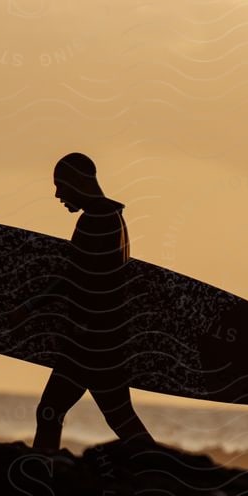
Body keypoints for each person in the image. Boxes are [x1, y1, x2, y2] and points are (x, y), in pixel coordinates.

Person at [23, 153, 155, 455]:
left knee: (50, 411)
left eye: (60, 185)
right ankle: (163, 472)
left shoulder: (95, 220)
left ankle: (42, 475)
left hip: (90, 343)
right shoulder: (115, 219)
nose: (57, 195)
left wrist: (31, 307)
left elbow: (75, 276)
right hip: (107, 340)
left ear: (78, 181)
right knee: (120, 417)